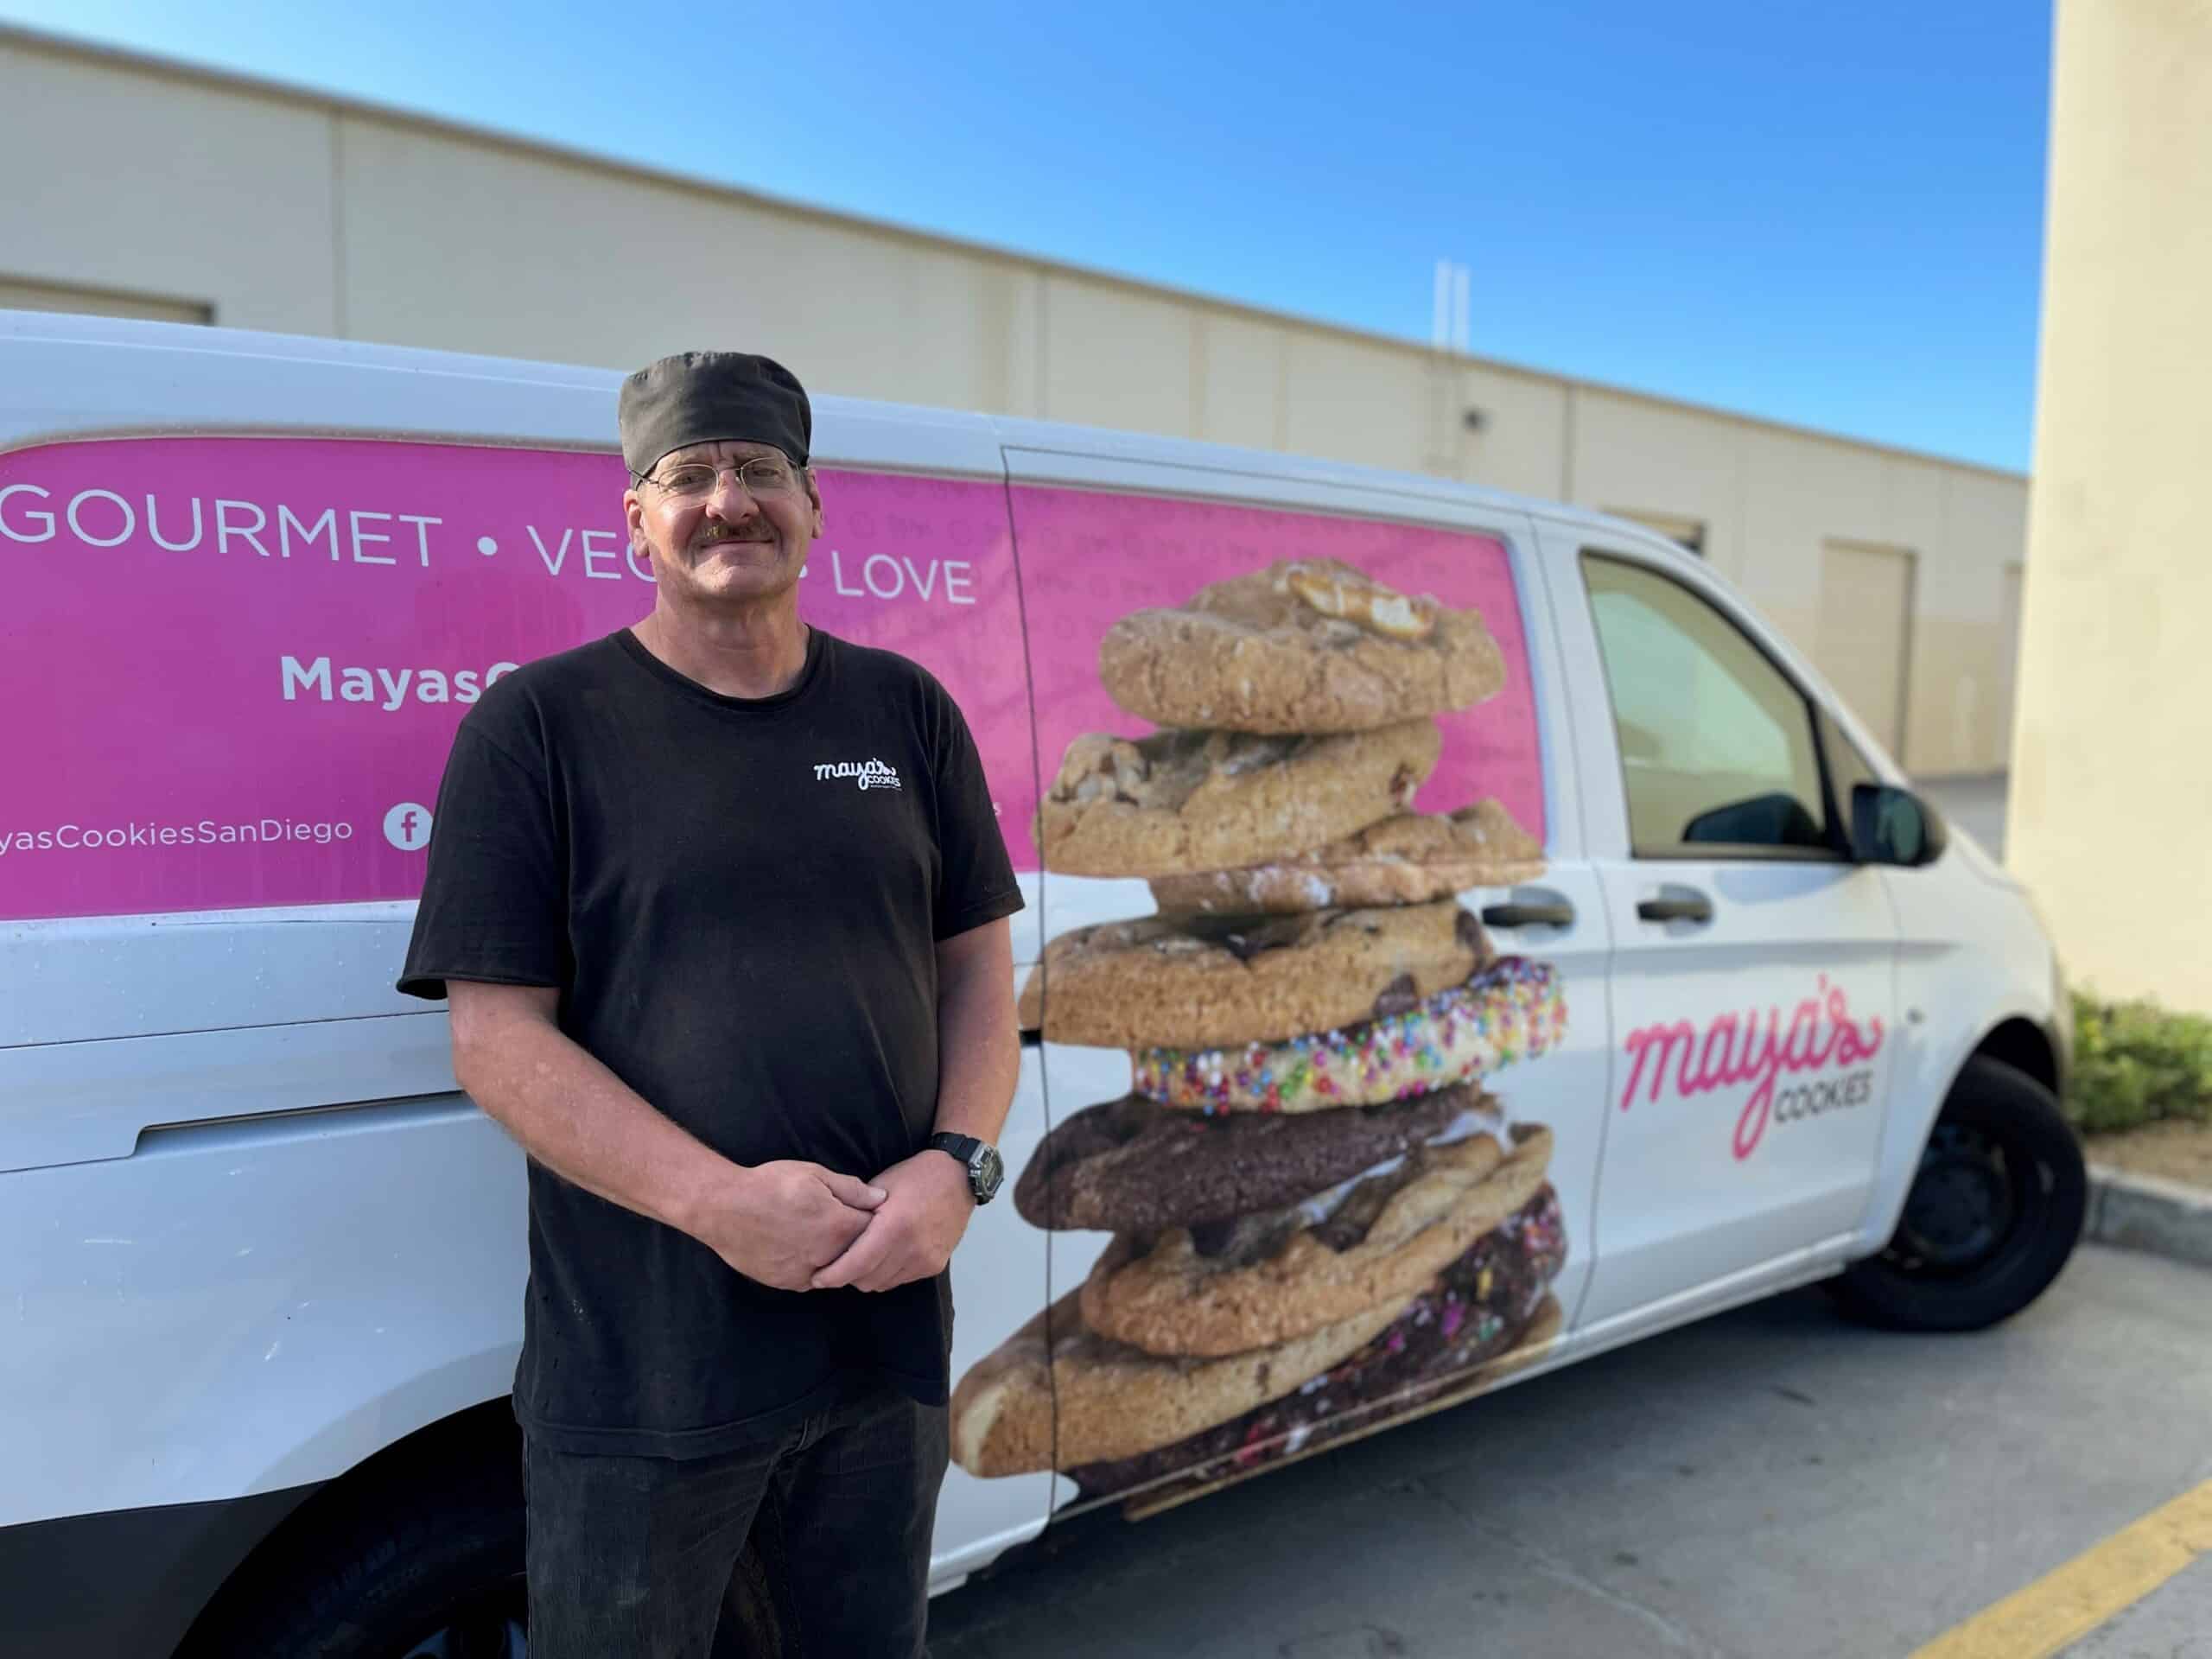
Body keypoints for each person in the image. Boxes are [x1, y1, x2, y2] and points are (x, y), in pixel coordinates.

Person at [397, 350, 1023, 1657]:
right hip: (647, 1373)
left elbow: (974, 964)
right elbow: (495, 1033)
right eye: (689, 475)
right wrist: (714, 1202)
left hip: (881, 1339)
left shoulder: (905, 708)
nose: (729, 500)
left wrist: (959, 1166)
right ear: (636, 517)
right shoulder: (537, 725)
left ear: (814, 505)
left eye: (760, 470)